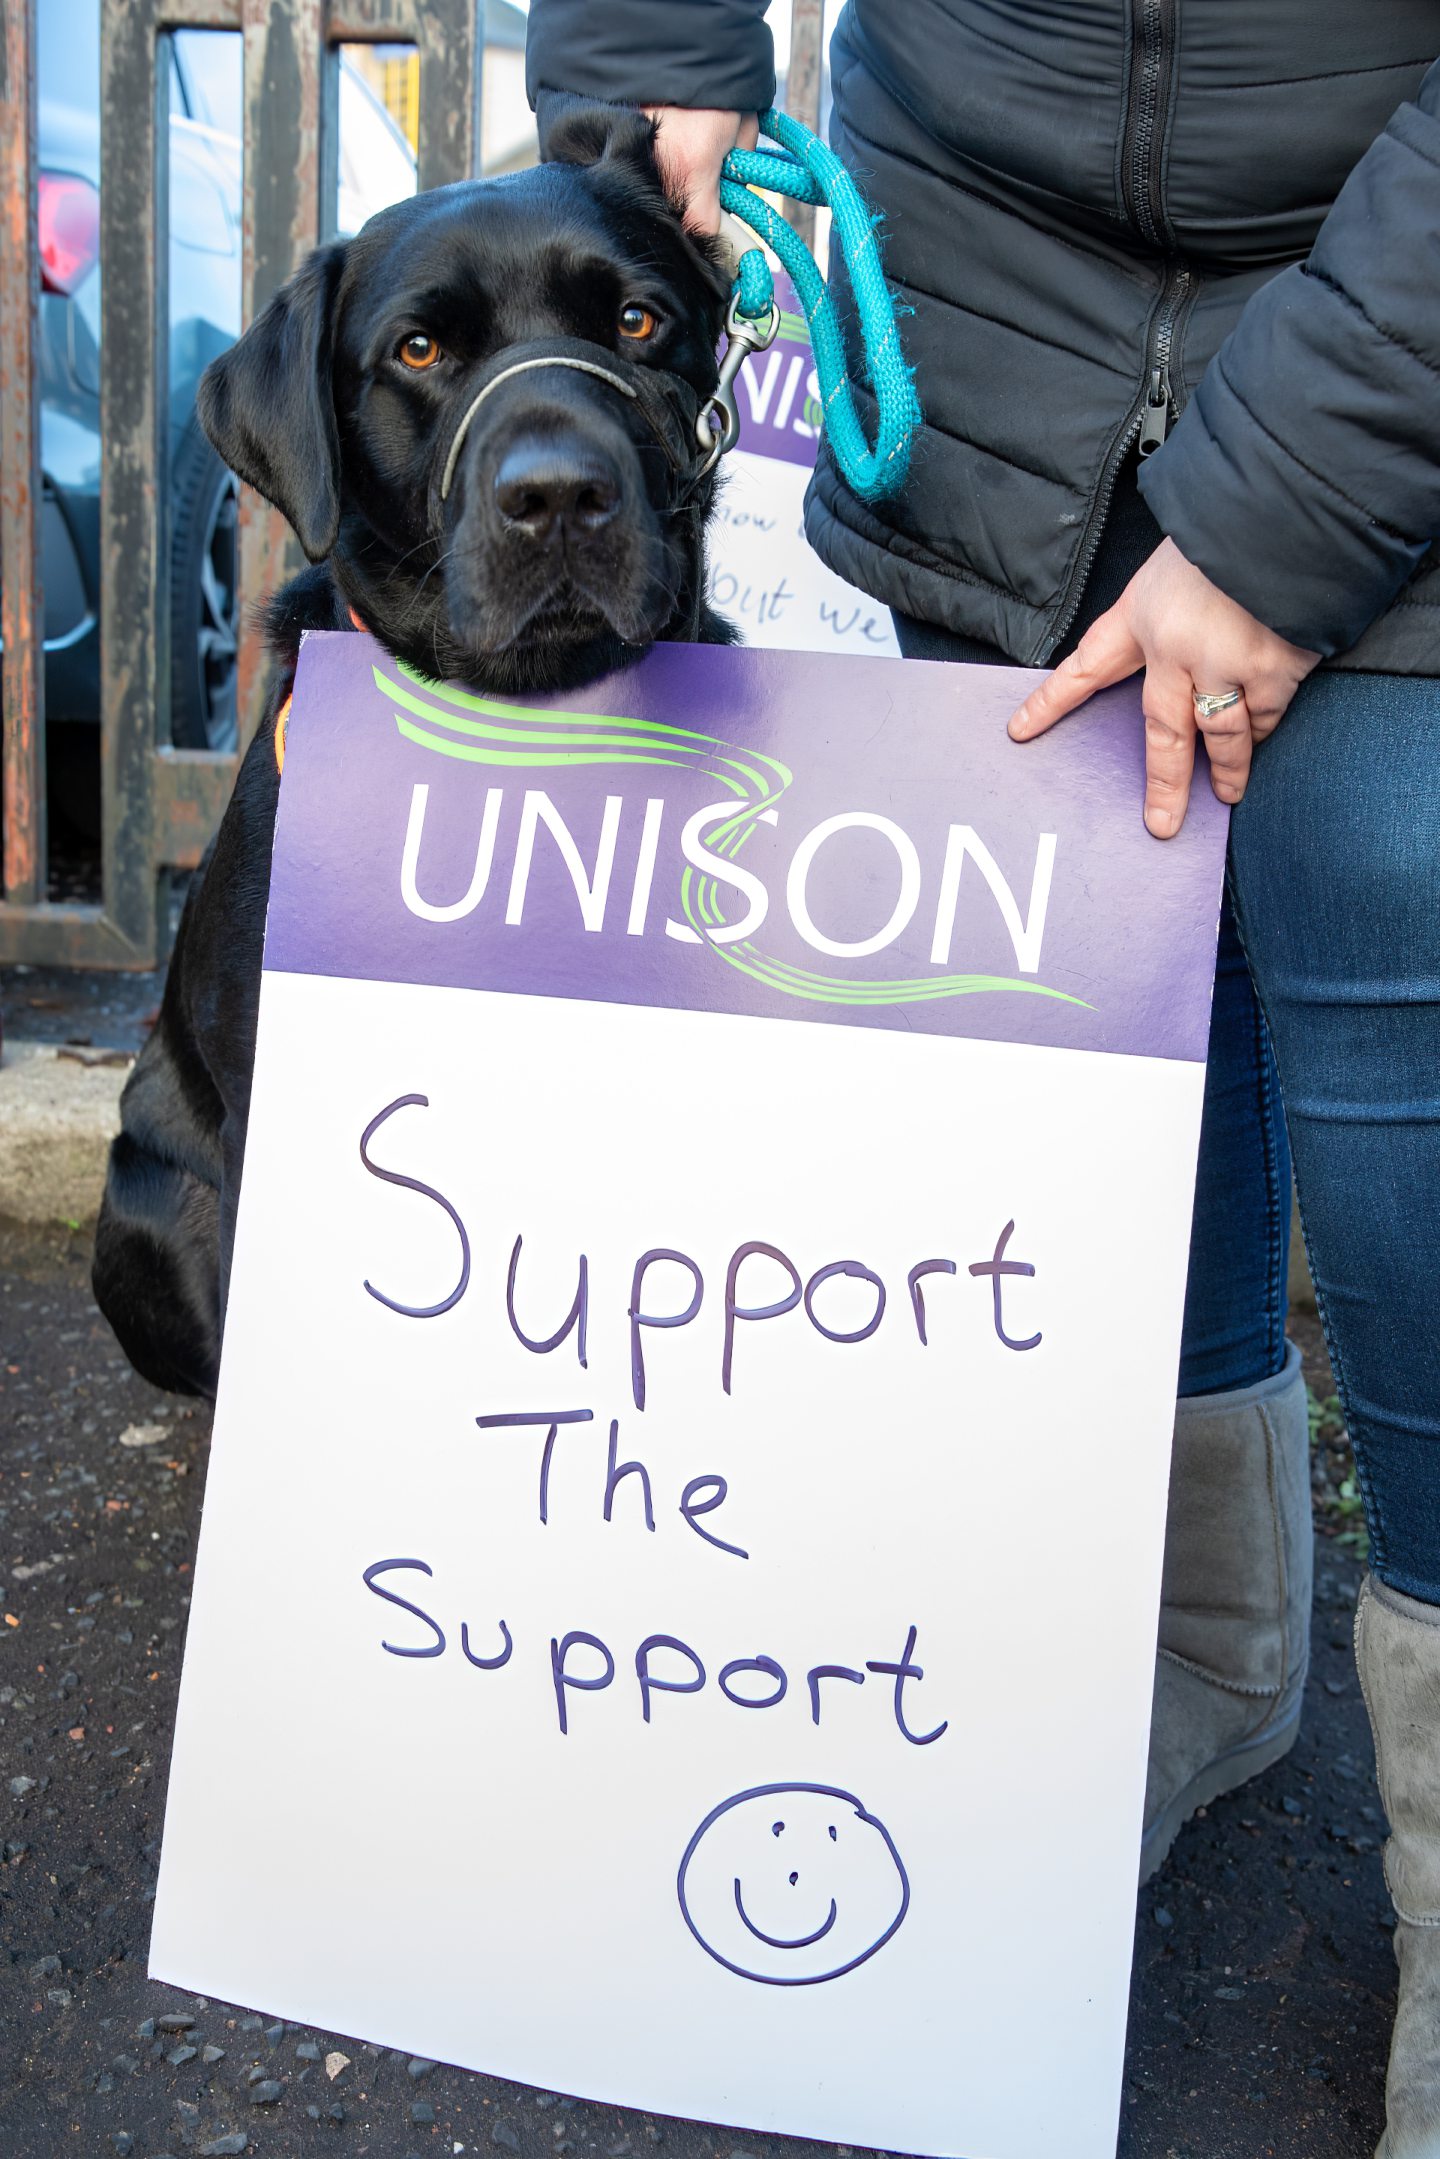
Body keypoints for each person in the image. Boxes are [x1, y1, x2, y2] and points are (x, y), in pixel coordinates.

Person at [526, 7, 1440, 2151]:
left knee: (1405, 1103)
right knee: (1105, 1074)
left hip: (1404, 250)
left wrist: (1280, 517)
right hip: (987, 287)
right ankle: (1203, 1660)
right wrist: (655, 41)